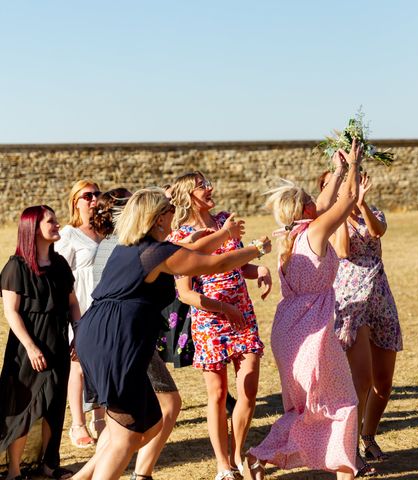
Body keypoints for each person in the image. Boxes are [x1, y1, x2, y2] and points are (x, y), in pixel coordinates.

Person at [73, 187, 271, 480]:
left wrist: (224, 236)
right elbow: (216, 263)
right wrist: (257, 248)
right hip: (115, 339)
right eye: (168, 209)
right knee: (126, 436)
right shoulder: (154, 252)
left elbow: (189, 253)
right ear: (157, 218)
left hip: (100, 333)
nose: (174, 212)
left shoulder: (133, 248)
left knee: (148, 424)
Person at [248, 139, 363, 480]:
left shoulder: (293, 235)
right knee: (342, 404)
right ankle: (339, 467)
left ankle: (260, 459)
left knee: (307, 409)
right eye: (313, 201)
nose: (319, 201)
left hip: (290, 333)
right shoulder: (314, 231)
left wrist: (340, 169)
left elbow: (329, 201)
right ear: (307, 211)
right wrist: (354, 166)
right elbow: (347, 202)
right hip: (312, 334)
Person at [168, 172, 271, 480]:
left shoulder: (225, 220)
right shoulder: (180, 237)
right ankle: (223, 465)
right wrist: (223, 308)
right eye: (202, 185)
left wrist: (260, 268)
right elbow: (186, 293)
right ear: (189, 196)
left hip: (242, 315)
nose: (210, 188)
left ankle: (238, 454)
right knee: (217, 393)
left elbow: (238, 263)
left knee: (249, 386)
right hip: (210, 319)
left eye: (210, 182)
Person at [319, 170, 402, 468]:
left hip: (380, 294)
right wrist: (343, 208)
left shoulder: (373, 210)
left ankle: (369, 437)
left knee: (384, 382)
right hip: (352, 299)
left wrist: (363, 204)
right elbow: (342, 250)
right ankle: (349, 448)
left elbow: (378, 231)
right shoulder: (329, 219)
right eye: (341, 183)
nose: (348, 185)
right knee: (362, 379)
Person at [0, 205, 81, 480]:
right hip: (27, 350)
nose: (57, 225)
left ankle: (49, 465)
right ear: (33, 228)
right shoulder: (16, 267)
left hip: (58, 343)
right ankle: (13, 472)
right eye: (51, 221)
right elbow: (11, 312)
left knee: (55, 406)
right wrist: (31, 347)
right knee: (24, 407)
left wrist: (78, 334)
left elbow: (73, 304)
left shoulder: (59, 265)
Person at [55, 180, 105, 447]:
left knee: (101, 363)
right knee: (79, 366)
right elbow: (62, 278)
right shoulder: (68, 235)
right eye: (88, 195)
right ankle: (77, 424)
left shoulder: (107, 233)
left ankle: (100, 417)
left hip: (106, 307)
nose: (95, 199)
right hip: (81, 307)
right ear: (76, 201)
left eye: (98, 193)